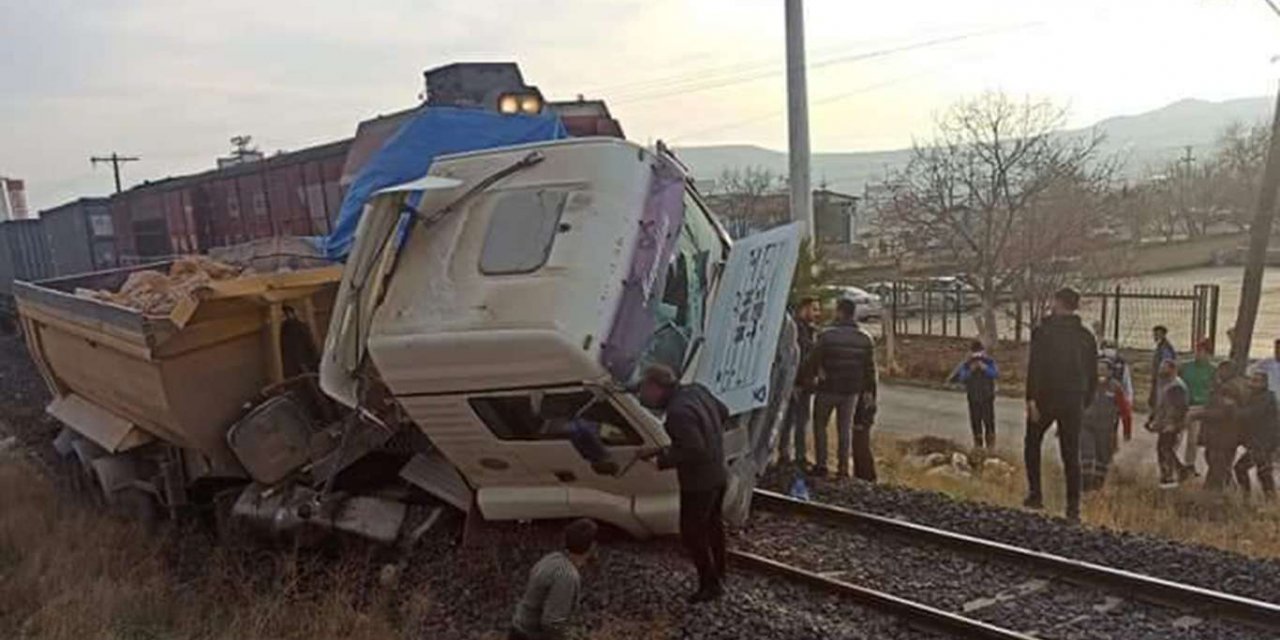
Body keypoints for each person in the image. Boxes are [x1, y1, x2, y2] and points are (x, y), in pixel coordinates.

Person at [637, 364, 729, 603]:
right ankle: (720, 573)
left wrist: (662, 460)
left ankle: (710, 585)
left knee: (692, 533)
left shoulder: (677, 412)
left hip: (699, 483)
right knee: (713, 525)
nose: (643, 397)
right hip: (718, 473)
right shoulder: (697, 390)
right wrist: (708, 435)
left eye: (644, 390)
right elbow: (723, 412)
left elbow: (694, 449)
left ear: (656, 387)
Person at [1024, 287, 1097, 521]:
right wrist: (1084, 401)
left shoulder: (1043, 332)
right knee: (1071, 453)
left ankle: (1035, 495)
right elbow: (1092, 374)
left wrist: (1031, 399)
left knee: (1032, 442)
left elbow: (1035, 367)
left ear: (1058, 302)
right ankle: (1073, 508)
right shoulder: (1086, 336)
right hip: (1074, 399)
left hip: (1046, 396)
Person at [807, 297, 878, 481]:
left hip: (827, 388)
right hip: (851, 392)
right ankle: (843, 469)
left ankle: (821, 465)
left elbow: (813, 362)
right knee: (844, 429)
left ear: (839, 312)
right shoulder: (865, 338)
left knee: (820, 425)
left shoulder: (826, 336)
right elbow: (870, 370)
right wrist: (869, 392)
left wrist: (810, 379)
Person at [510, 518, 598, 640]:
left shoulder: (551, 559)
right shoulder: (567, 575)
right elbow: (552, 623)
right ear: (592, 547)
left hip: (519, 630)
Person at [778, 297, 821, 467]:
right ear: (804, 309)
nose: (817, 313)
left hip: (805, 383)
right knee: (790, 420)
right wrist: (796, 382)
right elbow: (797, 358)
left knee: (800, 421)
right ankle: (786, 454)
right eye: (814, 309)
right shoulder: (796, 330)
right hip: (795, 383)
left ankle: (797, 455)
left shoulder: (809, 330)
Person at [1081, 359, 1133, 492]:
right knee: (1086, 454)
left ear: (1110, 372)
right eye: (1098, 369)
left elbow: (1125, 411)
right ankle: (1084, 485)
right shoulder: (1087, 384)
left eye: (1104, 369)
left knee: (1103, 458)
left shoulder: (1115, 388)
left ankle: (1097, 487)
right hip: (1086, 426)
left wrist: (1127, 431)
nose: (1101, 372)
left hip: (1106, 429)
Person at [1201, 361, 1248, 491]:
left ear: (1227, 371)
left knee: (1218, 462)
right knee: (1220, 461)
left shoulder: (1228, 388)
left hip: (1223, 433)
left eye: (1220, 370)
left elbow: (1224, 412)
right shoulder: (1239, 384)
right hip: (1231, 433)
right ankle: (1223, 487)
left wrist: (1199, 414)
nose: (1218, 373)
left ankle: (1218, 491)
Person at [1147, 359, 1191, 488]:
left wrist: (1173, 424)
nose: (1161, 370)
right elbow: (1161, 405)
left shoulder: (1176, 386)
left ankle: (1169, 477)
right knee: (1165, 449)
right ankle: (1179, 472)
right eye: (1161, 367)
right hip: (1165, 423)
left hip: (1172, 425)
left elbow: (1179, 408)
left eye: (1164, 368)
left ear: (1173, 370)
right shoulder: (1165, 383)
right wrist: (1154, 419)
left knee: (1165, 449)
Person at [1234, 371, 1278, 499]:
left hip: (1263, 442)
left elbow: (1251, 414)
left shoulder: (1266, 398)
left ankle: (1248, 496)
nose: (1252, 383)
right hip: (1258, 441)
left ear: (1264, 383)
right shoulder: (1254, 396)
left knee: (1248, 469)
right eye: (1252, 380)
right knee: (1262, 471)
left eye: (1256, 381)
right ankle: (1263, 498)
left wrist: (1232, 411)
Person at [949, 339, 998, 450]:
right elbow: (962, 377)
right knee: (976, 421)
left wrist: (984, 368)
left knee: (989, 421)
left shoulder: (989, 362)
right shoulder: (967, 364)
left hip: (987, 397)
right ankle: (978, 445)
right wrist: (971, 370)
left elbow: (995, 374)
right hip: (973, 397)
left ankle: (991, 446)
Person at [1179, 339, 1216, 476]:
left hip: (1200, 407)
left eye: (1202, 351)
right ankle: (1171, 462)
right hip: (1183, 405)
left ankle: (1189, 465)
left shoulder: (1213, 370)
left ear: (1208, 354)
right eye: (1197, 351)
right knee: (1176, 436)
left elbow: (1214, 389)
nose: (1198, 354)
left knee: (1192, 439)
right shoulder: (1186, 367)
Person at [1148, 325, 1177, 410]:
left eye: (1158, 334)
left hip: (1163, 379)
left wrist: (1160, 374)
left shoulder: (1165, 348)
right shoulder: (1161, 346)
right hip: (1159, 377)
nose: (1155, 336)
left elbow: (1166, 363)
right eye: (1155, 334)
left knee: (1160, 400)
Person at [1253, 339, 1280, 404]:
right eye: (1277, 348)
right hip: (1270, 398)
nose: (1278, 351)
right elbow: (1251, 370)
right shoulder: (1266, 362)